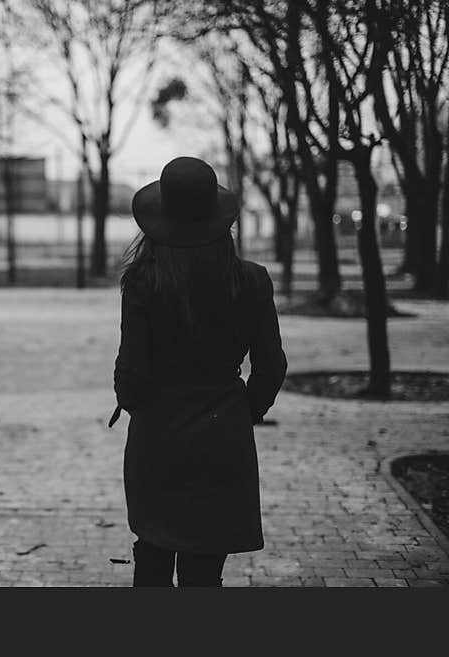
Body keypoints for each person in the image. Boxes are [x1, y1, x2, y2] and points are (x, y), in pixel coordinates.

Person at [112, 156, 287, 587]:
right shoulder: (251, 281)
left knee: (152, 558)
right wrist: (244, 409)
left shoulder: (142, 282)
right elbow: (272, 365)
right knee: (204, 572)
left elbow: (131, 370)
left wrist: (137, 404)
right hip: (222, 434)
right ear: (219, 222)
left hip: (158, 436)